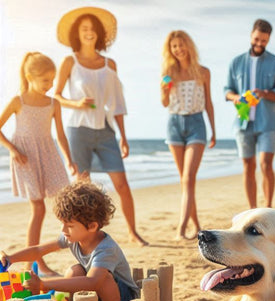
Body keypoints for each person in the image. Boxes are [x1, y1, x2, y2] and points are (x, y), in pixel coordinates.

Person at [54, 7, 147, 246]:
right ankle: (79, 237)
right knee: (81, 187)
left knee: (122, 184)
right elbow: (56, 96)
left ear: (100, 34)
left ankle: (133, 232)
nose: (89, 32)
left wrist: (123, 137)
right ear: (78, 32)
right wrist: (76, 103)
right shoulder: (69, 61)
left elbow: (117, 102)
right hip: (78, 130)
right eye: (84, 29)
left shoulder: (109, 64)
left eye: (93, 29)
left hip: (105, 131)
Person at [1, 181, 139, 301]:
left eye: (70, 225)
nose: (63, 229)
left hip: (123, 299)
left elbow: (93, 282)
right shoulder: (72, 237)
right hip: (96, 294)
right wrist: (10, 258)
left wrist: (44, 284)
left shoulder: (106, 249)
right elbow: (39, 250)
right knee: (75, 271)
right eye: (62, 223)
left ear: (92, 226)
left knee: (104, 279)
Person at [0, 52, 77, 276]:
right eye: (46, 80)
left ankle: (62, 252)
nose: (50, 85)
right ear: (30, 76)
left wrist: (70, 160)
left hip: (49, 155)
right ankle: (34, 264)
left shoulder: (53, 103)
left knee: (63, 204)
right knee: (39, 208)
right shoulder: (18, 101)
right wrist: (13, 150)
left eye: (52, 80)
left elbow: (61, 135)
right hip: (25, 157)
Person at [225, 19, 275, 209]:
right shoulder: (235, 62)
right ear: (251, 35)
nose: (259, 44)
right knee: (248, 166)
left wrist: (265, 93)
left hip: (267, 122)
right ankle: (252, 210)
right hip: (243, 121)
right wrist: (236, 98)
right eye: (257, 39)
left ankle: (267, 208)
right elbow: (227, 91)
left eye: (264, 41)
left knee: (266, 164)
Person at [161, 30, 216, 240]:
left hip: (196, 123)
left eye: (181, 45)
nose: (178, 49)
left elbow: (209, 102)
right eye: (174, 46)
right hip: (174, 123)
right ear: (170, 50)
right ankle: (197, 225)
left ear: (188, 45)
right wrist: (164, 89)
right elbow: (165, 103)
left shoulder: (203, 72)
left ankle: (181, 228)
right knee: (186, 181)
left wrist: (213, 130)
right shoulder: (168, 72)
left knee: (188, 177)